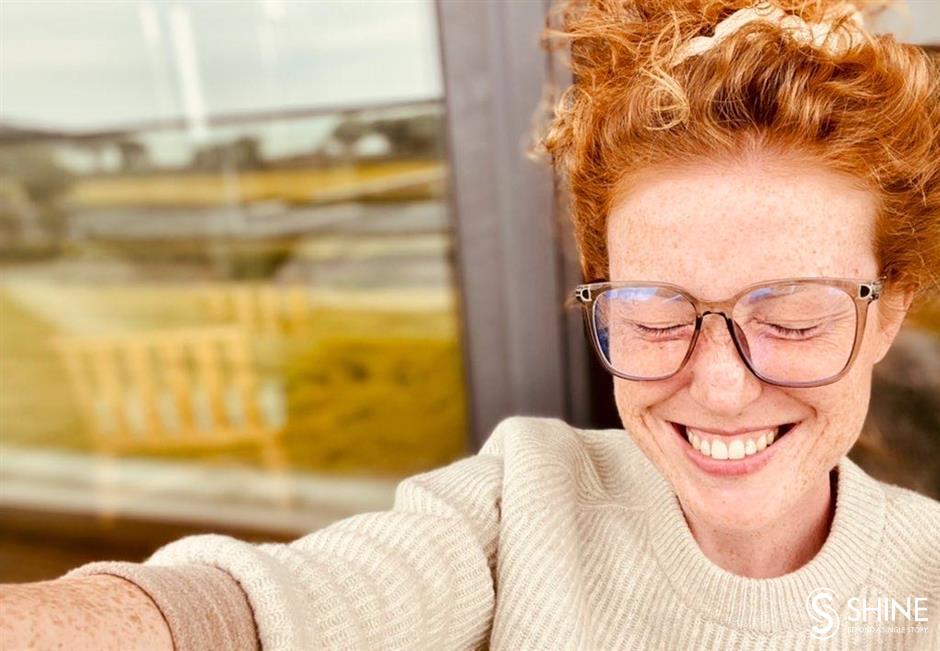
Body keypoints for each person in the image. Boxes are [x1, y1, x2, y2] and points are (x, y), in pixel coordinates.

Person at [2, 0, 939, 648]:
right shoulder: (522, 505)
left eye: (794, 316)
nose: (722, 387)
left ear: (887, 310)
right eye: (656, 314)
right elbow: (266, 609)